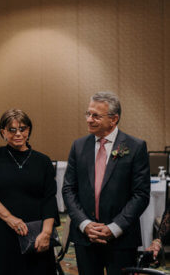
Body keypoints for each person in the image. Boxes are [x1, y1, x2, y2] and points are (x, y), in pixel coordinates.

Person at [62, 91, 150, 275]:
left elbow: (141, 195)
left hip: (121, 239)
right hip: (85, 237)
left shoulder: (135, 147)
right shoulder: (78, 146)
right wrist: (85, 224)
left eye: (96, 115)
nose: (89, 119)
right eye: (88, 113)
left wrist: (114, 227)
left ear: (113, 119)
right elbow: (69, 189)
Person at [0, 109, 58, 275]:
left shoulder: (43, 161)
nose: (18, 134)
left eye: (23, 128)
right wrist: (10, 219)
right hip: (1, 232)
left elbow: (49, 199)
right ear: (3, 132)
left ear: (29, 130)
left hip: (34, 234)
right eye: (12, 130)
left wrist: (46, 232)